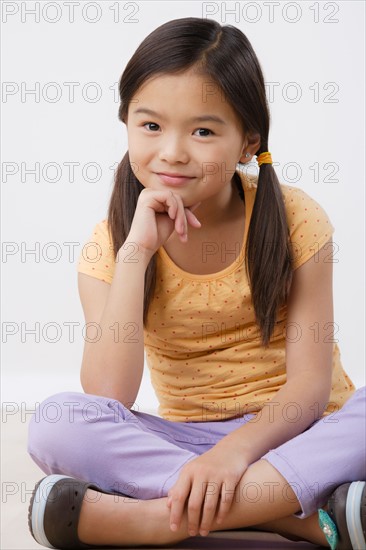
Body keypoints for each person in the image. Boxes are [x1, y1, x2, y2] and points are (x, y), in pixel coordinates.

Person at [27, 17, 365, 550]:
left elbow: (308, 389)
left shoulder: (297, 218)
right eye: (151, 125)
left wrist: (232, 455)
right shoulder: (109, 247)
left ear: (249, 141)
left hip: (301, 430)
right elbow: (110, 395)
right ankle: (286, 512)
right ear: (126, 124)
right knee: (57, 422)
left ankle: (153, 520)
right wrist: (136, 253)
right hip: (184, 440)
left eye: (204, 131)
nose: (174, 152)